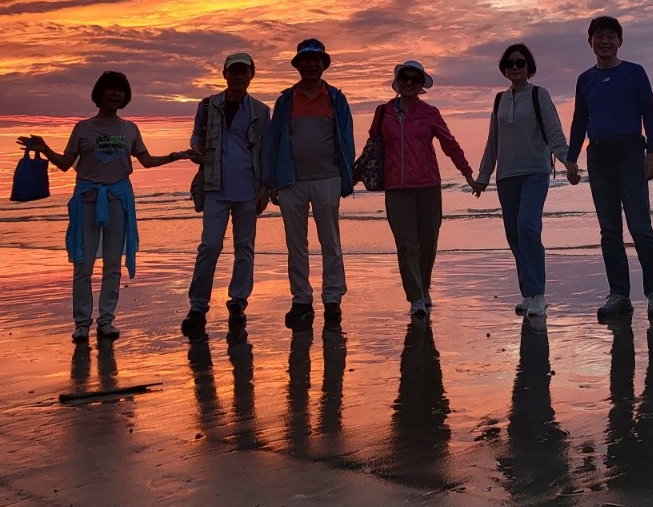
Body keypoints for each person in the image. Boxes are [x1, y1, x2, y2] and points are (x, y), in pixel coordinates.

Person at [18, 70, 193, 342]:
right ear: (99, 93)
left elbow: (145, 161)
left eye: (120, 90)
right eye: (110, 89)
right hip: (87, 199)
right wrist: (44, 148)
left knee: (113, 264)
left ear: (126, 96)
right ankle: (81, 324)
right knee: (83, 265)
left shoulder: (129, 129)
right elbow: (65, 164)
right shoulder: (83, 128)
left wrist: (176, 155)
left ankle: (106, 321)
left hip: (118, 200)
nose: (116, 94)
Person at [565, 15, 653, 321]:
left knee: (639, 227)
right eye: (599, 36)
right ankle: (619, 294)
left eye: (611, 35)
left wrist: (652, 151)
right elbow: (579, 120)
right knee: (609, 231)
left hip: (630, 153)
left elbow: (649, 112)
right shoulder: (585, 79)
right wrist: (571, 159)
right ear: (590, 43)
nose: (605, 40)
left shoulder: (634, 72)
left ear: (620, 41)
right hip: (598, 157)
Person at [264, 38, 356, 331]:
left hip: (328, 178)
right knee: (296, 245)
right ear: (298, 65)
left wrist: (346, 177)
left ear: (323, 64)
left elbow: (346, 140)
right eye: (306, 60)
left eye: (317, 59)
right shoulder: (285, 100)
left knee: (330, 241)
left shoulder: (336, 98)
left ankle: (332, 300)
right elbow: (272, 142)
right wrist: (271, 182)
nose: (311, 64)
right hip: (292, 181)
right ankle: (301, 300)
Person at [473, 42, 570, 318]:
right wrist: (483, 176)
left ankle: (538, 294)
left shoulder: (539, 95)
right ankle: (528, 293)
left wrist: (567, 161)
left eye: (520, 62)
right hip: (506, 177)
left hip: (535, 173)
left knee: (528, 227)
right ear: (504, 69)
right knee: (514, 234)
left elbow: (554, 133)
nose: (515, 67)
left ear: (529, 67)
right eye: (510, 63)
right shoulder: (499, 100)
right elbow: (494, 141)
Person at [180, 51, 272, 337]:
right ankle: (198, 305)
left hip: (248, 188)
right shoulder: (208, 106)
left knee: (244, 247)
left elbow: (265, 151)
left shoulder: (260, 110)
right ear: (225, 74)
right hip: (214, 186)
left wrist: (265, 188)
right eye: (234, 71)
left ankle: (238, 301)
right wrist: (196, 149)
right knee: (210, 246)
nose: (239, 76)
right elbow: (196, 135)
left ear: (252, 75)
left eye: (244, 71)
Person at [376, 60, 478, 317]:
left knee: (428, 243)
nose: (410, 83)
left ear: (421, 85)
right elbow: (372, 149)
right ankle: (415, 297)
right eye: (405, 78)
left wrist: (467, 172)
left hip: (428, 187)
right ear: (397, 82)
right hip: (397, 190)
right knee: (406, 245)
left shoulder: (430, 112)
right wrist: (349, 178)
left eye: (415, 79)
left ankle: (424, 285)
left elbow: (449, 144)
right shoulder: (383, 112)